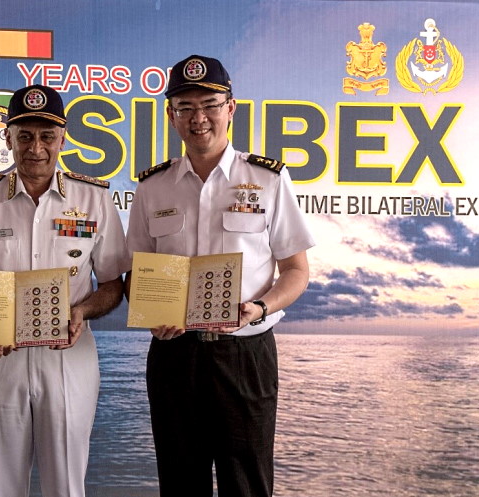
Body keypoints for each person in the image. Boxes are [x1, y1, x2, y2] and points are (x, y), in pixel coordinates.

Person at [125, 55, 315, 496]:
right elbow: (137, 271)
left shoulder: (267, 180)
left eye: (209, 104)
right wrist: (151, 309)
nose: (199, 118)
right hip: (174, 355)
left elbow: (296, 271)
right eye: (185, 107)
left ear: (231, 108)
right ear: (171, 116)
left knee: (246, 484)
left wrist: (259, 308)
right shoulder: (153, 188)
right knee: (180, 482)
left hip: (244, 354)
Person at [0, 84, 126, 497]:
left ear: (63, 138)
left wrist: (83, 311)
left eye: (47, 136)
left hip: (68, 356)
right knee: (0, 484)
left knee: (65, 483)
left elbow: (113, 285)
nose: (36, 148)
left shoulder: (94, 199)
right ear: (7, 138)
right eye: (24, 135)